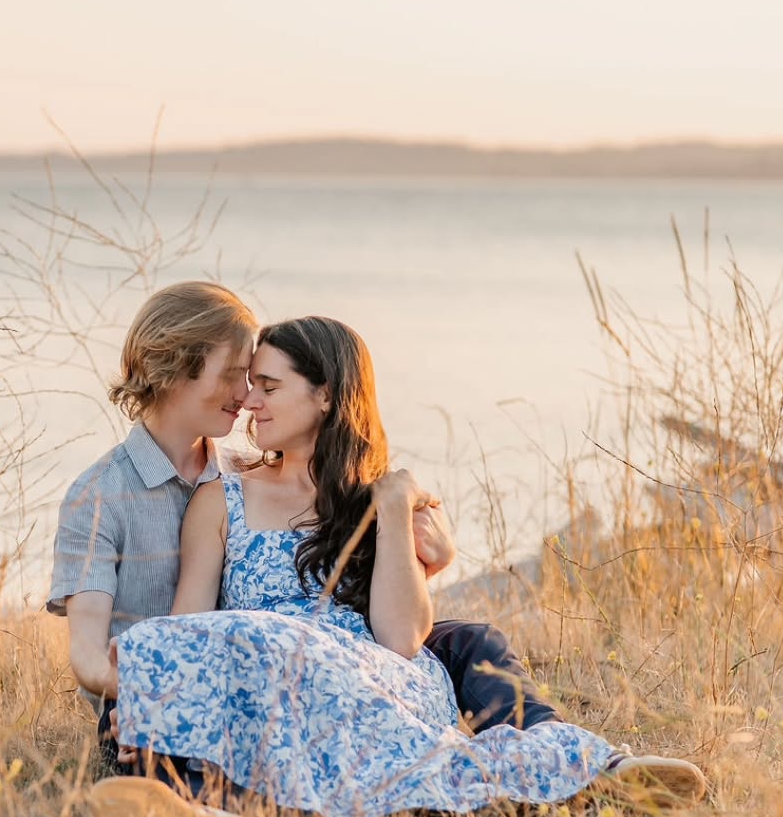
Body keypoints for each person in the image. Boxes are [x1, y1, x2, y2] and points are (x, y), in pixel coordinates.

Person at [111, 316, 706, 817]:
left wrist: (393, 510)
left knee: (305, 650)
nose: (250, 403)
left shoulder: (382, 501)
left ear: (325, 395)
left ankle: (597, 770)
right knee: (234, 653)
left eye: (269, 387)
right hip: (264, 676)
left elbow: (400, 638)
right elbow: (187, 626)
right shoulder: (223, 500)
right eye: (251, 387)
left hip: (367, 679)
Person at [48, 282, 583, 779]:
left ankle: (559, 754)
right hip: (175, 687)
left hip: (314, 668)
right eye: (237, 375)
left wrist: (426, 551)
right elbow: (100, 655)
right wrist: (156, 696)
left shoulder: (243, 468)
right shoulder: (102, 496)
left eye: (260, 382)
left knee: (466, 639)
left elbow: (380, 613)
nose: (246, 396)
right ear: (177, 369)